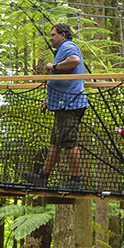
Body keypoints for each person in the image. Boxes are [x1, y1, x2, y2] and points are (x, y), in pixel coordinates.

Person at [29, 22, 87, 189]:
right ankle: (43, 176)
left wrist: (53, 66)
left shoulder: (68, 46)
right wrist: (50, 101)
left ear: (63, 35)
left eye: (53, 35)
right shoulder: (62, 49)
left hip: (70, 104)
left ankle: (76, 181)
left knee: (69, 143)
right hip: (61, 104)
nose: (50, 38)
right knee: (55, 143)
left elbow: (75, 60)